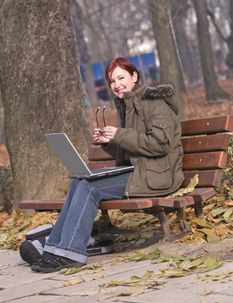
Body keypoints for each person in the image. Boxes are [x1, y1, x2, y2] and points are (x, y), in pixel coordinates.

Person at [31, 57, 184, 273]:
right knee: (79, 180)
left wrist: (120, 134)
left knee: (90, 187)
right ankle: (54, 249)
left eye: (121, 78)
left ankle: (70, 253)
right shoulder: (127, 106)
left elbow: (160, 145)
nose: (116, 85)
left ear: (134, 77)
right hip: (141, 171)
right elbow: (130, 151)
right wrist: (109, 143)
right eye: (112, 81)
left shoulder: (156, 104)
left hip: (159, 174)